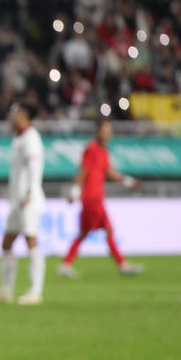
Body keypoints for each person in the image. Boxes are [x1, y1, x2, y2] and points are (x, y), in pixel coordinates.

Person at [58, 118, 143, 277]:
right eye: (105, 129)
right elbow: (83, 171)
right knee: (108, 230)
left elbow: (111, 172)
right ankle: (122, 264)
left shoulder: (103, 151)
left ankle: (65, 264)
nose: (108, 133)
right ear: (97, 131)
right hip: (92, 198)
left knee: (84, 233)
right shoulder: (91, 149)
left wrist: (130, 182)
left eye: (109, 130)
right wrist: (75, 191)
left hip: (95, 198)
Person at [0, 103, 46, 305]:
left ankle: (35, 291)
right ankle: (6, 291)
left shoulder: (31, 138)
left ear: (23, 116)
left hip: (28, 199)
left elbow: (34, 165)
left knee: (31, 242)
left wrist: (31, 190)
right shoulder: (19, 138)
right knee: (7, 243)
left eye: (14, 114)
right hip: (18, 201)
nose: (11, 118)